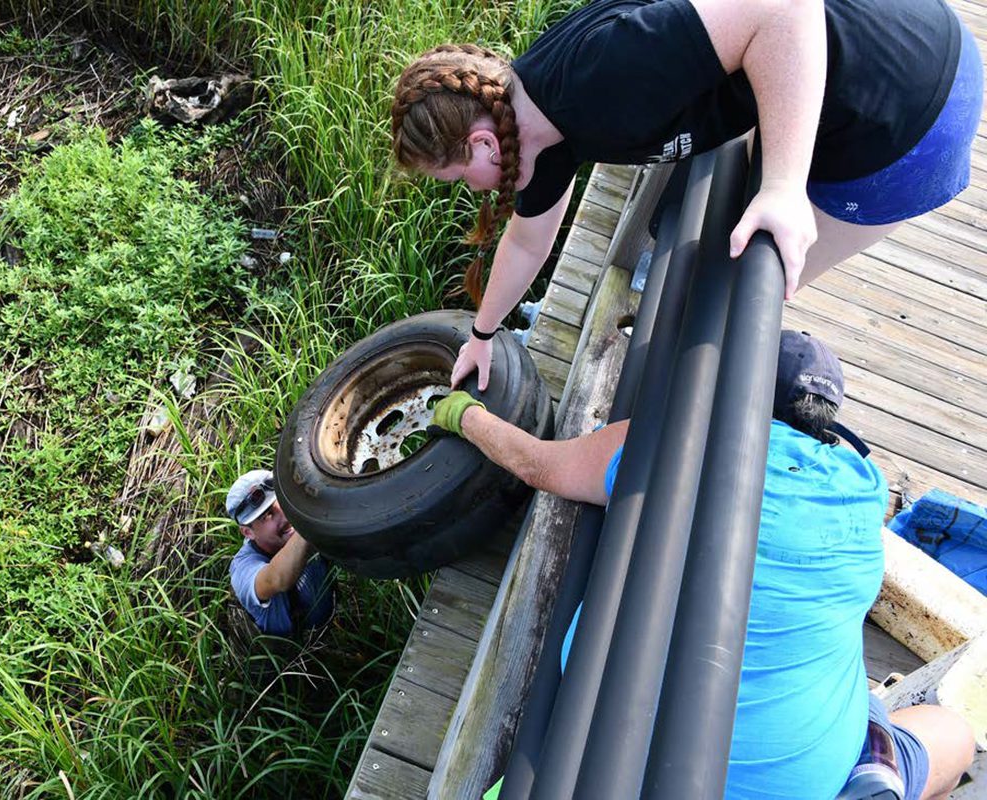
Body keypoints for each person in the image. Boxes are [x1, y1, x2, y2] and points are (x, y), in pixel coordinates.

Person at [429, 331, 976, 799]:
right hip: (800, 780)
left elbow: (539, 466)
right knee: (952, 735)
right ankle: (871, 752)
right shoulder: (864, 491)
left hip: (612, 753)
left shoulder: (679, 442)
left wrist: (464, 415)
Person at [390, 0, 983, 391]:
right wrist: (483, 336)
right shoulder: (537, 126)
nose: (471, 191)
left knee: (735, 299)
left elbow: (781, 10)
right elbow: (525, 242)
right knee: (712, 280)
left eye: (460, 178)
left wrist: (782, 185)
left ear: (484, 145)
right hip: (873, 56)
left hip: (908, 106)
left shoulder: (597, 79)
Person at [226, 469, 334, 637]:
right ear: (248, 533)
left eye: (282, 504)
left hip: (333, 627)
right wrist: (311, 519)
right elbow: (277, 579)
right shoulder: (242, 568)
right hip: (295, 657)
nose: (283, 518)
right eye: (267, 516)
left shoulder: (301, 524)